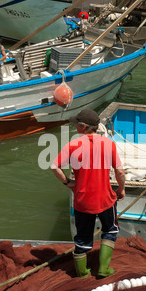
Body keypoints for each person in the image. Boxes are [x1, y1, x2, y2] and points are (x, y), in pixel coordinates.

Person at [51, 109, 125, 278]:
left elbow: (54, 167)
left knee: (82, 238)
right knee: (110, 230)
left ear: (82, 127)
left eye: (76, 124)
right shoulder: (108, 144)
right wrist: (121, 189)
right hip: (105, 198)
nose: (75, 126)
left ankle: (82, 273)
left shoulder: (72, 145)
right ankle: (103, 269)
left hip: (82, 200)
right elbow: (119, 172)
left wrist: (68, 183)